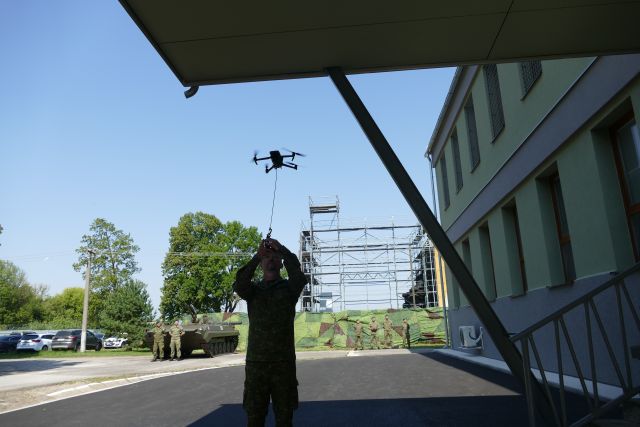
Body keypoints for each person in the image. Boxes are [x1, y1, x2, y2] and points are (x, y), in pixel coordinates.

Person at [233, 237, 307, 427]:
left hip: (283, 365)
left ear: (281, 263)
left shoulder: (289, 289)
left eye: (275, 257)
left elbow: (299, 277)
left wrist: (282, 249)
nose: (271, 260)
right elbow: (239, 284)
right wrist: (256, 256)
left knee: (284, 420)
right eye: (267, 257)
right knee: (254, 419)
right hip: (257, 366)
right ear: (261, 263)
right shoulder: (253, 291)